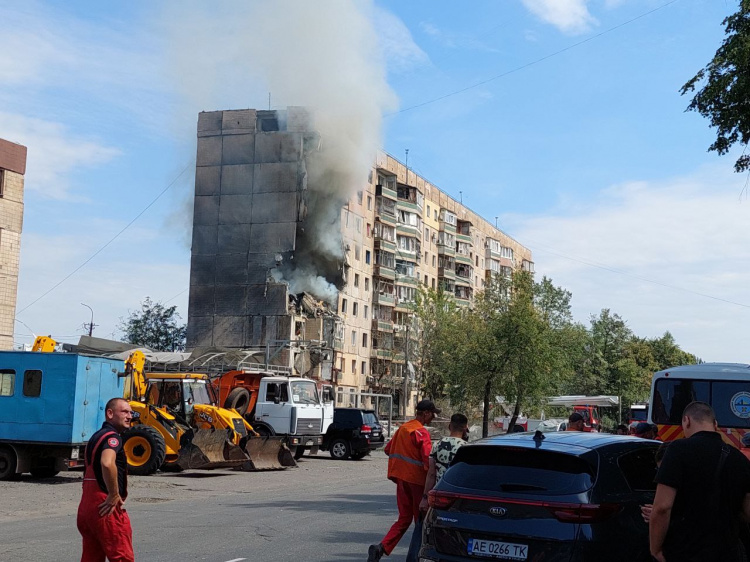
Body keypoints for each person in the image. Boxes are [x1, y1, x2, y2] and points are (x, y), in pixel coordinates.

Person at [649, 401, 750, 562]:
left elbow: (662, 507)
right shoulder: (738, 458)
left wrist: (655, 549)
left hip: (685, 551)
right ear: (715, 424)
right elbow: (746, 512)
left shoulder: (677, 450)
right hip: (726, 552)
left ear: (686, 421)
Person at [368, 400, 439, 562]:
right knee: (420, 521)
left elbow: (388, 449)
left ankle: (381, 548)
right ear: (426, 413)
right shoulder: (421, 432)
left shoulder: (403, 429)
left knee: (404, 518)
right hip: (417, 482)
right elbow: (427, 461)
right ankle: (414, 558)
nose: (433, 417)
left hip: (401, 479)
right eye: (432, 414)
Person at [404, 414, 470, 561]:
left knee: (423, 528)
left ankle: (413, 558)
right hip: (458, 499)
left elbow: (431, 475)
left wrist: (425, 498)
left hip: (439, 497)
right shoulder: (467, 449)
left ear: (449, 426)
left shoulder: (438, 445)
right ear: (466, 428)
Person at [77, 397, 135, 562]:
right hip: (105, 506)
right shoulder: (113, 438)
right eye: (124, 411)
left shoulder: (96, 437)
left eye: (131, 412)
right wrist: (114, 494)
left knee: (91, 557)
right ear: (110, 413)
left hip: (87, 507)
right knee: (122, 556)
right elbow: (107, 463)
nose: (129, 416)